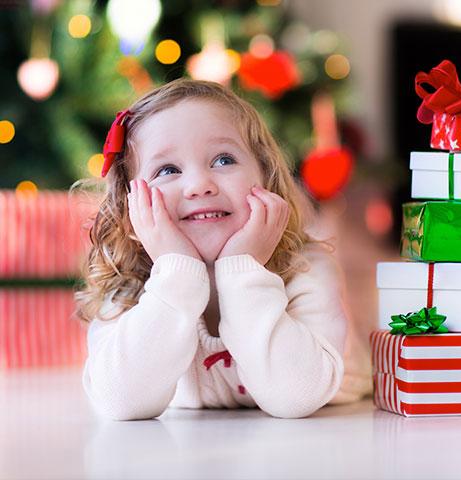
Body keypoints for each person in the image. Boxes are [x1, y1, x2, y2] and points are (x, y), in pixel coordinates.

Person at [75, 79, 370, 421]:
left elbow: (294, 398)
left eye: (223, 160)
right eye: (168, 170)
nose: (200, 185)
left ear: (267, 179)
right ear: (131, 212)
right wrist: (176, 271)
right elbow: (120, 403)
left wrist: (243, 269)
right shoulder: (128, 286)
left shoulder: (307, 269)